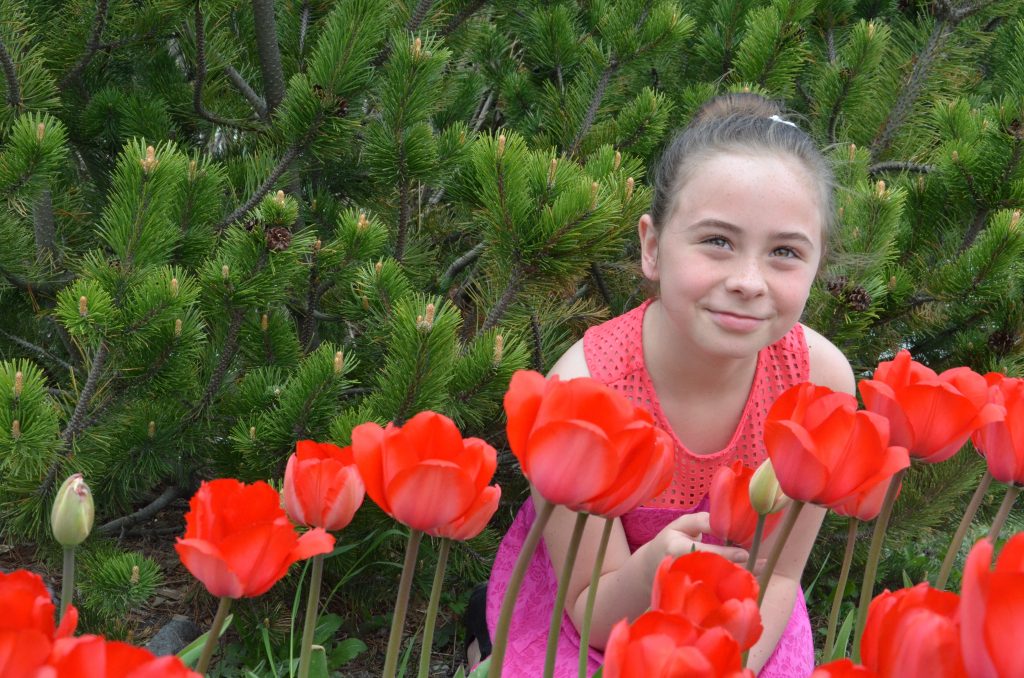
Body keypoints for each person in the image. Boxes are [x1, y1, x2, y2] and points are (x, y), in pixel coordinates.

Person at [467, 92, 856, 676]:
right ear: (652, 246)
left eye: (784, 252)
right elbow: (588, 609)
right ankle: (484, 635)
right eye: (718, 241)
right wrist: (654, 572)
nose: (749, 281)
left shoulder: (819, 384)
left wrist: (732, 663)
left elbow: (777, 573)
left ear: (817, 265)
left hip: (743, 618)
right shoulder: (583, 391)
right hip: (599, 612)